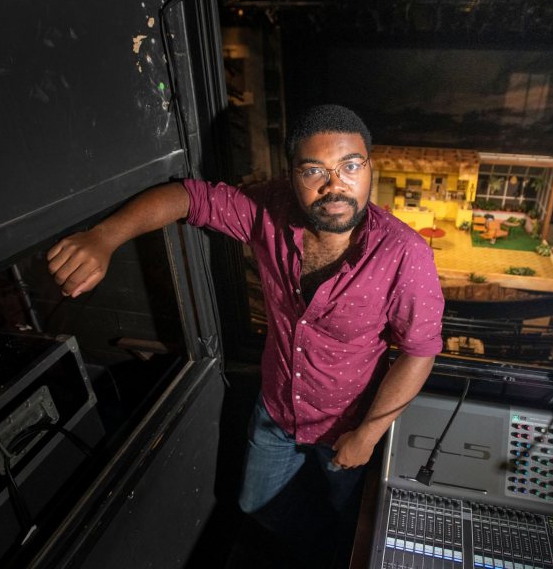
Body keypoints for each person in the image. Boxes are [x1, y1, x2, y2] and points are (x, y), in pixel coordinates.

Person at [46, 104, 444, 563]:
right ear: (292, 174)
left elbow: (419, 353)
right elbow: (189, 199)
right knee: (256, 503)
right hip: (276, 408)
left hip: (347, 423)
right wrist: (106, 237)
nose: (335, 185)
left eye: (350, 166)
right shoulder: (269, 208)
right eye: (314, 170)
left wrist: (369, 434)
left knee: (349, 521)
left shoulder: (405, 255)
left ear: (370, 168)